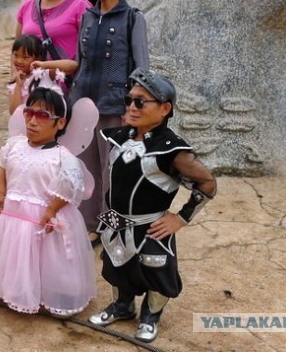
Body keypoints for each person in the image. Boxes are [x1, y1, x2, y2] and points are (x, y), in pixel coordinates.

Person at [88, 69, 216, 343]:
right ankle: (122, 307)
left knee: (156, 271)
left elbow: (207, 184)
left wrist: (181, 218)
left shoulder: (172, 150)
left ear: (164, 109)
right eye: (129, 99)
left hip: (151, 226)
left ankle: (150, 316)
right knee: (115, 266)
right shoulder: (120, 136)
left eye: (140, 102)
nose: (131, 107)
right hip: (115, 221)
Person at [0, 87, 96, 316]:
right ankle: (13, 289)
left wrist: (53, 208)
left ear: (60, 123)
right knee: (13, 253)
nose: (33, 121)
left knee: (43, 260)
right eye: (29, 113)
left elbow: (70, 187)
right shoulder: (15, 145)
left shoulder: (62, 156)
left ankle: (46, 293)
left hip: (42, 218)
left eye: (43, 116)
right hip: (12, 214)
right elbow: (1, 168)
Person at [70, 0, 151, 243]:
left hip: (114, 107)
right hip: (83, 106)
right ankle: (89, 225)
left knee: (112, 171)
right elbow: (79, 61)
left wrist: (136, 108)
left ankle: (110, 227)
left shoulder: (132, 18)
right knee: (86, 168)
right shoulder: (88, 16)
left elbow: (141, 69)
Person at [8, 34, 77, 114]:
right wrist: (18, 86)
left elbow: (73, 66)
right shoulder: (14, 84)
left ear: (38, 58)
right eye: (16, 55)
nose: (19, 61)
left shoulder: (45, 74)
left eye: (25, 57)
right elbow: (14, 112)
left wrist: (44, 65)